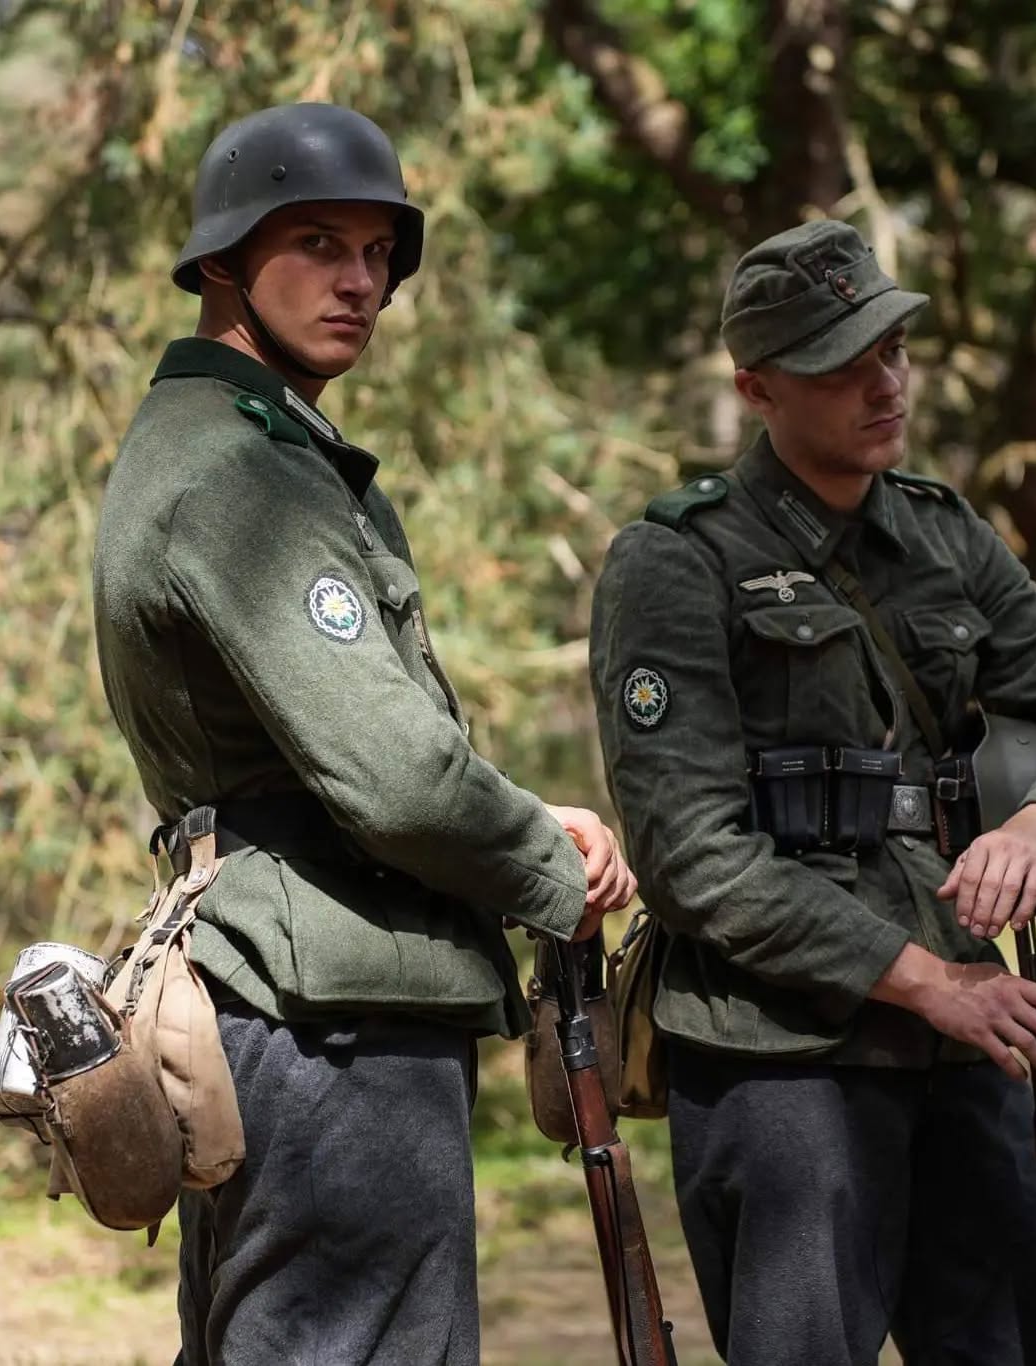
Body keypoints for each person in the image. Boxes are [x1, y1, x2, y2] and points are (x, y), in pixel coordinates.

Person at [92, 104, 635, 1366]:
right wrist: (548, 867)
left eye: (380, 253)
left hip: (290, 992)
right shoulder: (239, 470)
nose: (360, 283)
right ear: (223, 262)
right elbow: (397, 778)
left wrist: (522, 822)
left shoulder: (225, 444)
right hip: (327, 1014)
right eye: (320, 244)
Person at [588, 220, 1036, 1365]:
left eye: (891, 348)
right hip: (781, 1054)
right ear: (756, 386)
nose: (883, 382)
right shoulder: (679, 559)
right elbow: (691, 853)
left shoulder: (945, 537)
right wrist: (923, 981)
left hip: (963, 1042)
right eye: (840, 363)